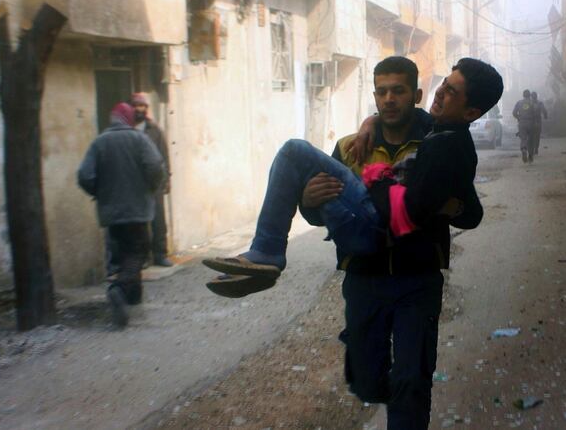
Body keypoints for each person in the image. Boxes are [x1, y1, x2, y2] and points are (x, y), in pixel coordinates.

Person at [205, 56, 502, 429]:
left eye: (399, 91)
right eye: (382, 92)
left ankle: (267, 253)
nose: (389, 99)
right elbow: (319, 216)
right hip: (364, 278)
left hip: (417, 279)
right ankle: (266, 256)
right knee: (367, 381)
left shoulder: (434, 134)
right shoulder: (350, 148)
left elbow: (470, 210)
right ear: (374, 97)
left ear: (415, 95)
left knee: (412, 380)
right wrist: (309, 201)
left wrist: (443, 205)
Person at [78, 103, 165, 328]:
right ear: (128, 119)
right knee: (138, 252)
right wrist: (150, 187)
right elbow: (155, 166)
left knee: (122, 253)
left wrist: (99, 192)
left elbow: (85, 175)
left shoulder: (99, 143)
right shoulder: (139, 140)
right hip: (137, 210)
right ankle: (119, 289)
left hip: (112, 213)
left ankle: (132, 301)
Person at [131, 92, 174, 267]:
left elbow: (163, 155)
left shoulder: (154, 130)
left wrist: (167, 178)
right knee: (140, 222)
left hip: (154, 182)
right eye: (136, 106)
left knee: (158, 220)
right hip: (135, 184)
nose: (139, 109)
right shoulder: (128, 130)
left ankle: (160, 254)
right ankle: (143, 258)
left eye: (142, 106)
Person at [513, 89, 537, 163]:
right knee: (531, 140)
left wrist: (519, 118)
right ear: (529, 95)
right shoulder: (532, 103)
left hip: (522, 123)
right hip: (531, 123)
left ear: (523, 95)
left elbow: (514, 113)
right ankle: (530, 155)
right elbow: (535, 113)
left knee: (523, 138)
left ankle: (523, 149)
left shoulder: (519, 103)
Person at [530, 91, 548, 156]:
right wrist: (545, 116)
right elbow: (544, 110)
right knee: (537, 136)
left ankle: (532, 148)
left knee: (531, 136)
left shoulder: (529, 103)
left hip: (531, 122)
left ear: (531, 97)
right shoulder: (540, 103)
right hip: (538, 121)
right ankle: (536, 148)